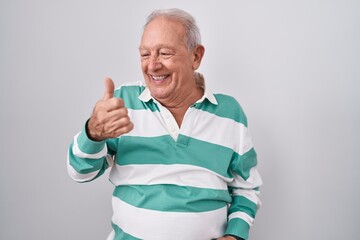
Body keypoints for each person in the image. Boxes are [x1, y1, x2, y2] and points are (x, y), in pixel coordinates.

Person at [67, 8, 262, 240]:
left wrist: (236, 235)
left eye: (165, 53)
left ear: (196, 56)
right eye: (145, 54)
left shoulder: (230, 113)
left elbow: (247, 187)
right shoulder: (121, 104)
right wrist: (93, 133)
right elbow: (79, 173)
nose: (152, 65)